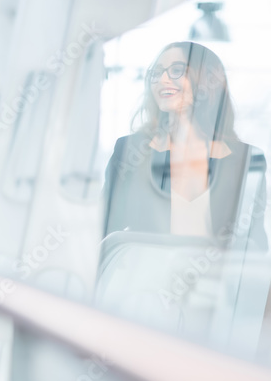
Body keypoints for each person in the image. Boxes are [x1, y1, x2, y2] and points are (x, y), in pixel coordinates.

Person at [101, 41, 266, 247]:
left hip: (215, 278)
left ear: (207, 80)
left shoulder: (245, 159)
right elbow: (103, 227)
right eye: (157, 72)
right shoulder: (130, 150)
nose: (163, 80)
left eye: (177, 70)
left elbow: (255, 242)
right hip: (146, 276)